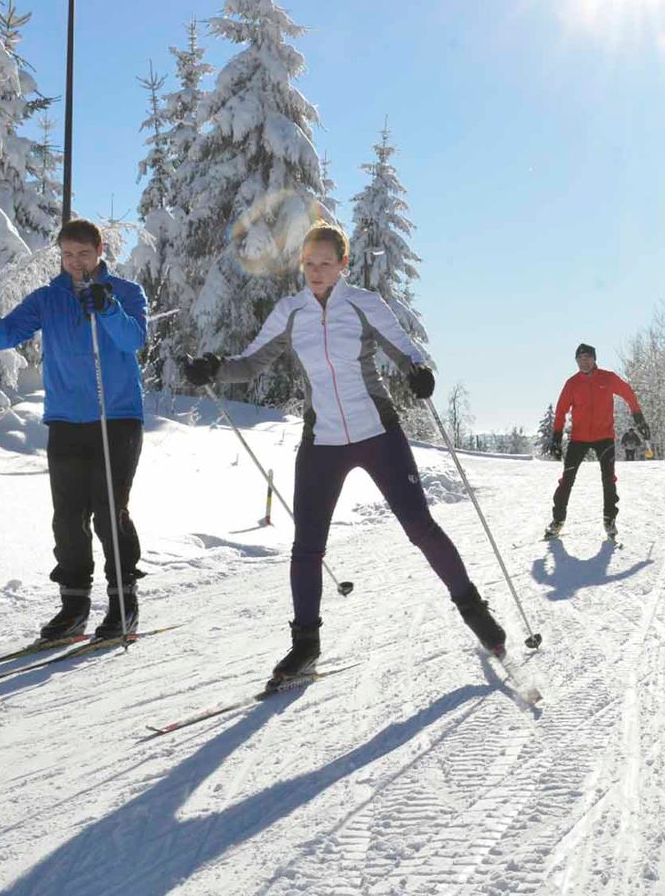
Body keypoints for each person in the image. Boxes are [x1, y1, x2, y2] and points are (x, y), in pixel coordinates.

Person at [180, 221, 507, 683]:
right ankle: (305, 645)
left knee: (421, 528)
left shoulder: (363, 305)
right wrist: (214, 367)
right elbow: (251, 363)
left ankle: (476, 613)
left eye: (325, 263)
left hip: (377, 432)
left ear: (342, 265)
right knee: (307, 546)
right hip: (324, 440)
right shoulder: (291, 312)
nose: (316, 271)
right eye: (309, 263)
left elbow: (406, 353)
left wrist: (420, 374)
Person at [0, 218, 150, 642]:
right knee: (67, 518)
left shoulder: (127, 293)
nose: (76, 262)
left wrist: (108, 307)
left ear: (100, 252)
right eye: (67, 255)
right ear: (59, 256)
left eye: (83, 254)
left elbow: (134, 340)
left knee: (108, 513)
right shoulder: (48, 299)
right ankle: (74, 605)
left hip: (115, 418)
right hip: (65, 419)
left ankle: (123, 604)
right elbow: (5, 335)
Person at [545, 343, 649, 540]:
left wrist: (639, 418)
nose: (583, 362)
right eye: (580, 359)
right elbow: (561, 411)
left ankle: (609, 519)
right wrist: (556, 438)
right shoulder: (572, 384)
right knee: (566, 480)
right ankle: (558, 520)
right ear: (576, 361)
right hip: (579, 438)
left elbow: (628, 393)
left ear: (594, 359)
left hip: (604, 438)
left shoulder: (607, 378)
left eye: (587, 358)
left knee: (609, 480)